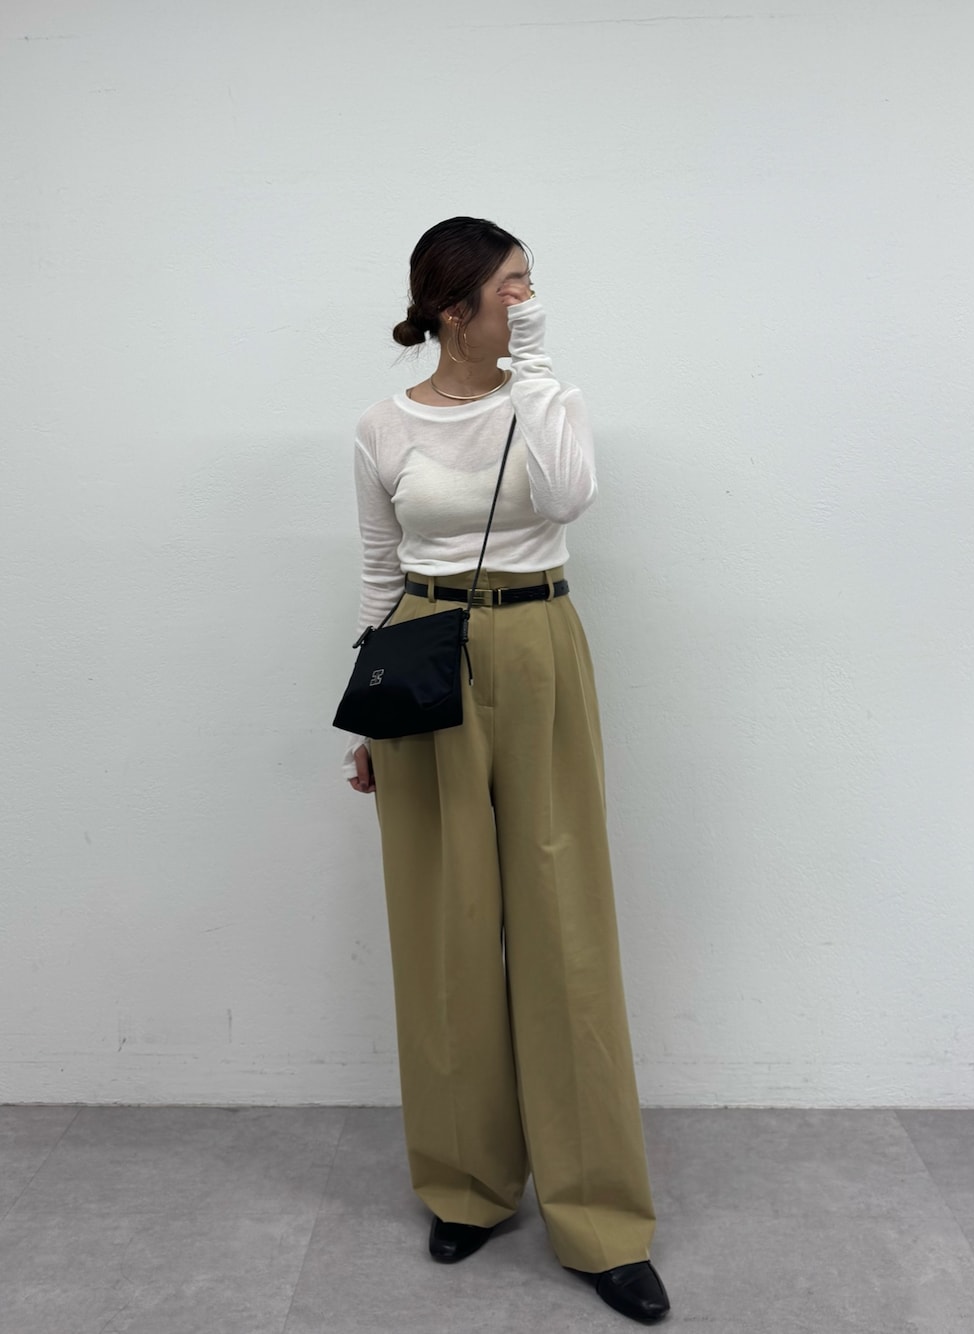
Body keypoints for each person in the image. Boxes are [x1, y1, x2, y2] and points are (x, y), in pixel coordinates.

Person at [339, 216, 670, 1325]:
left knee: (563, 926)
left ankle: (598, 1217)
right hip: (423, 656)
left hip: (539, 647)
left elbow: (567, 498)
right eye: (512, 286)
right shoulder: (381, 427)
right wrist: (367, 717)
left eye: (531, 282)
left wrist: (531, 363)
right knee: (445, 924)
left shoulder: (549, 398)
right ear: (453, 305)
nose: (530, 299)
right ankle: (466, 1185)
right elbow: (380, 568)